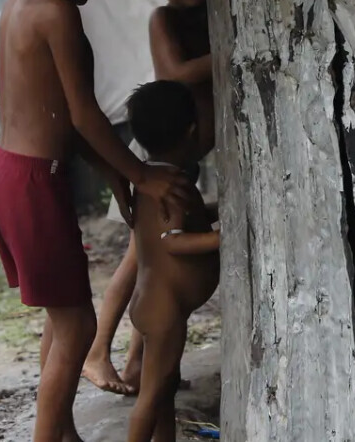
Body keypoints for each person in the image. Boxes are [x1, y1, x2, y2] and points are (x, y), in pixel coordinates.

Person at [0, 0, 192, 442]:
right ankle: (50, 435)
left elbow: (58, 118)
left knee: (64, 316)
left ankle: (59, 428)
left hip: (7, 174)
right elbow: (85, 115)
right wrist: (142, 174)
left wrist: (113, 176)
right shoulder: (58, 15)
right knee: (78, 326)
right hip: (33, 182)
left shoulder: (17, 6)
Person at [84, 0, 214, 395]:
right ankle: (98, 351)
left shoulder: (208, 15)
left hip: (184, 160)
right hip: (157, 159)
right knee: (139, 262)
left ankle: (141, 364)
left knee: (151, 268)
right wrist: (234, 49)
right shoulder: (164, 21)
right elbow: (177, 74)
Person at [123, 80, 219, 442]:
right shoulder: (172, 184)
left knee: (164, 390)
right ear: (192, 131)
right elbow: (173, 241)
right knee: (150, 397)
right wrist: (218, 239)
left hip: (151, 303)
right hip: (164, 311)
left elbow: (185, 219)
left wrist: (217, 210)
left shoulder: (152, 181)